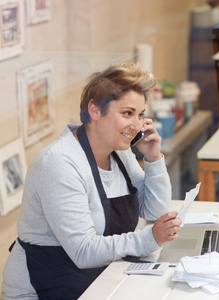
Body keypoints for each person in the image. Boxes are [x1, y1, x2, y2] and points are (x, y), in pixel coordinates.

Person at [2, 62, 182, 299]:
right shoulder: (59, 164)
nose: (137, 125)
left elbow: (154, 210)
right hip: (43, 286)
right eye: (127, 113)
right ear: (95, 111)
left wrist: (153, 157)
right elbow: (84, 251)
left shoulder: (119, 152)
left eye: (140, 115)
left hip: (96, 276)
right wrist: (150, 238)